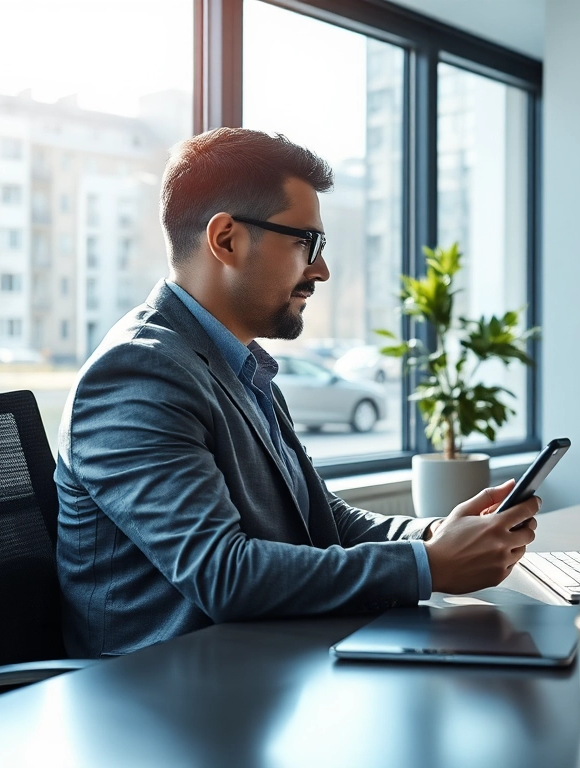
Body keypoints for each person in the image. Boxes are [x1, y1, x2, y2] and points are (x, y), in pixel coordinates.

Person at [55, 128, 540, 658]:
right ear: (226, 240)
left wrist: (438, 536)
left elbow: (325, 521)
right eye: (306, 242)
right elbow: (223, 574)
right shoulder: (138, 371)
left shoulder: (239, 366)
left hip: (261, 662)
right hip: (167, 688)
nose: (321, 270)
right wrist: (428, 565)